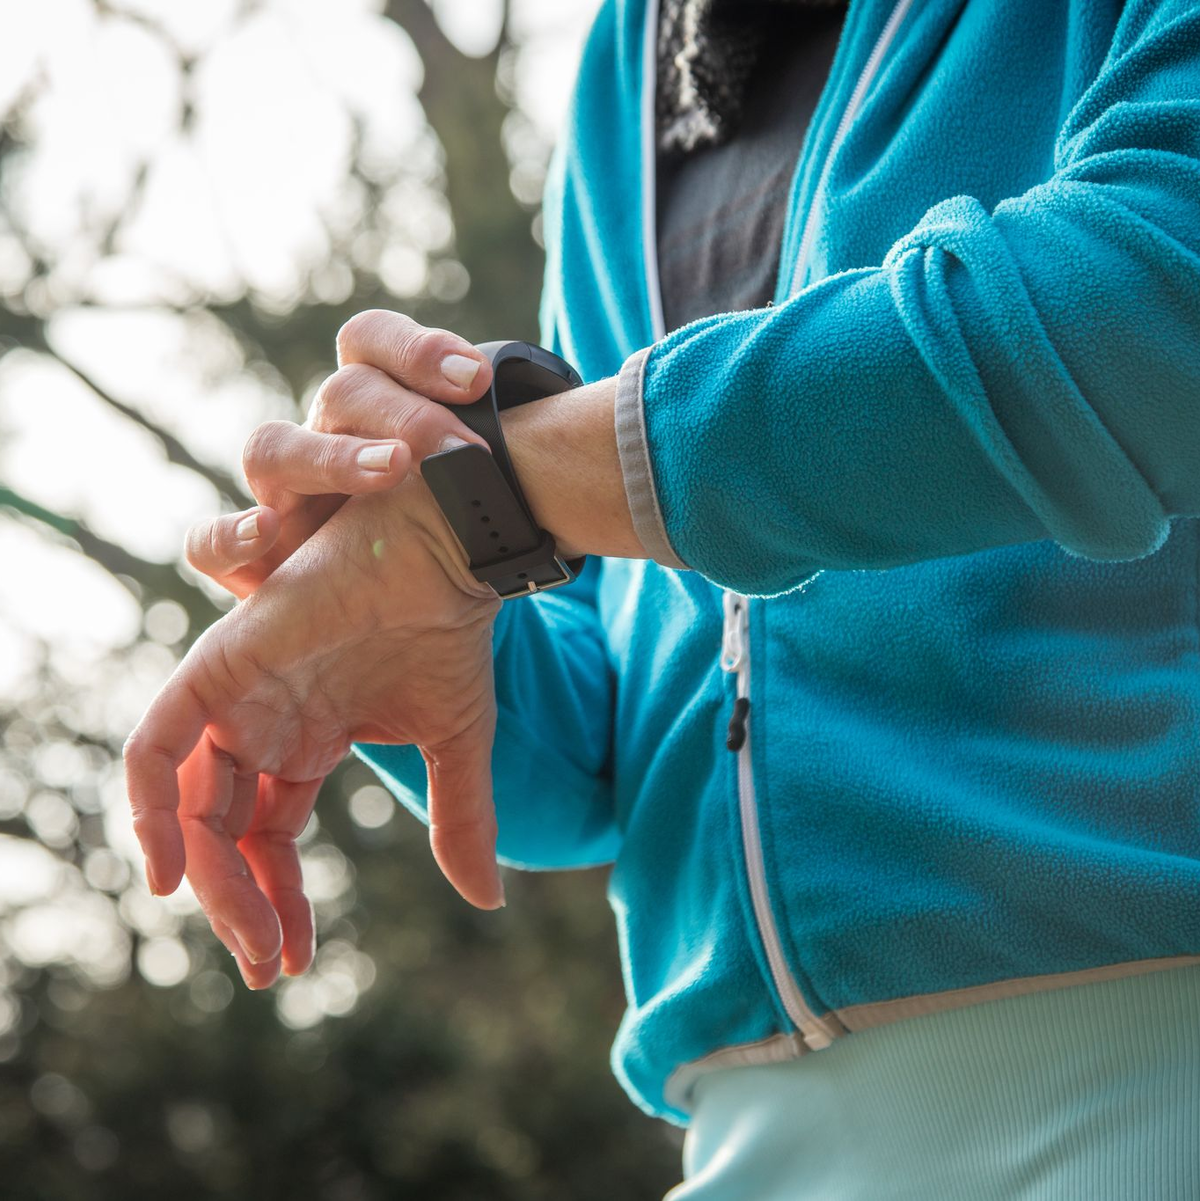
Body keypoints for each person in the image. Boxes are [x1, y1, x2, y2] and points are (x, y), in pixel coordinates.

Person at [125, 0, 1200, 1195]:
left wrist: (510, 487)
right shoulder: (632, 55)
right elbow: (615, 727)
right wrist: (406, 595)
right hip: (747, 1125)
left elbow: (1152, 298)